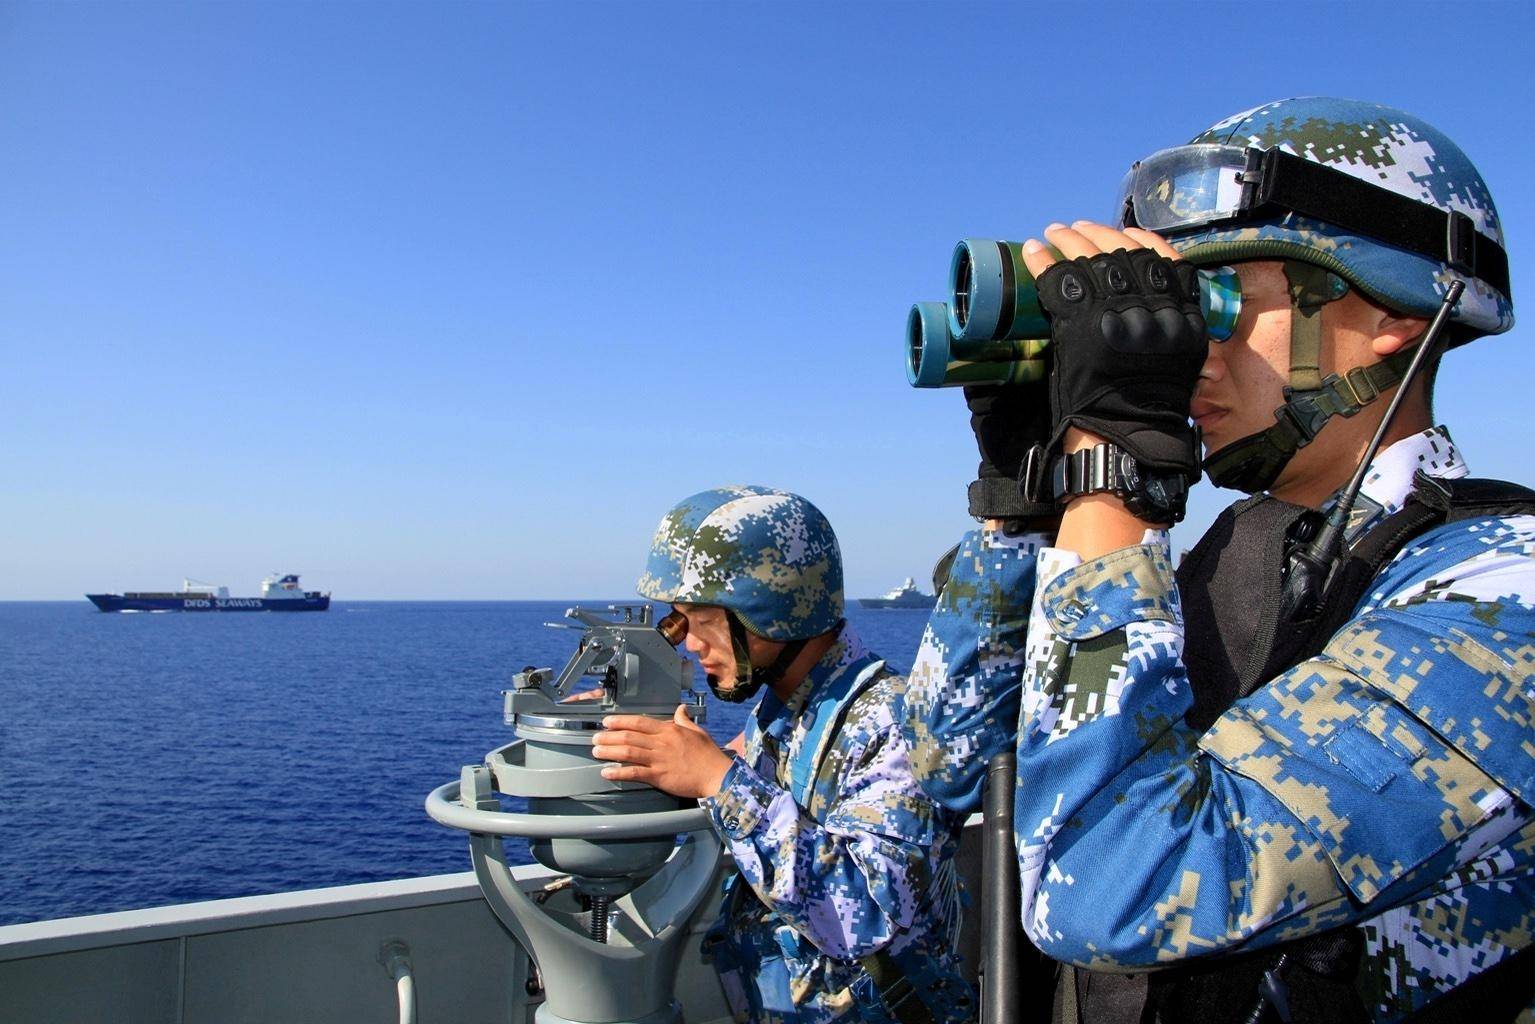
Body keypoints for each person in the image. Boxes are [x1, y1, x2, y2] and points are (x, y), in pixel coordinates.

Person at [903, 97, 1533, 1023]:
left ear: (1389, 311)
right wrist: (1022, 511)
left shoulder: (1499, 594)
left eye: (1216, 302)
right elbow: (946, 765)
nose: (1188, 352)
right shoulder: (1236, 563)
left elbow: (1112, 894)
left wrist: (1112, 481)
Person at [593, 485, 975, 1024]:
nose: (690, 644)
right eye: (680, 621)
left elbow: (863, 916)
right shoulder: (791, 707)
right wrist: (628, 724)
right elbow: (725, 780)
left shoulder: (892, 723)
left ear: (773, 613)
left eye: (703, 620)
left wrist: (720, 781)